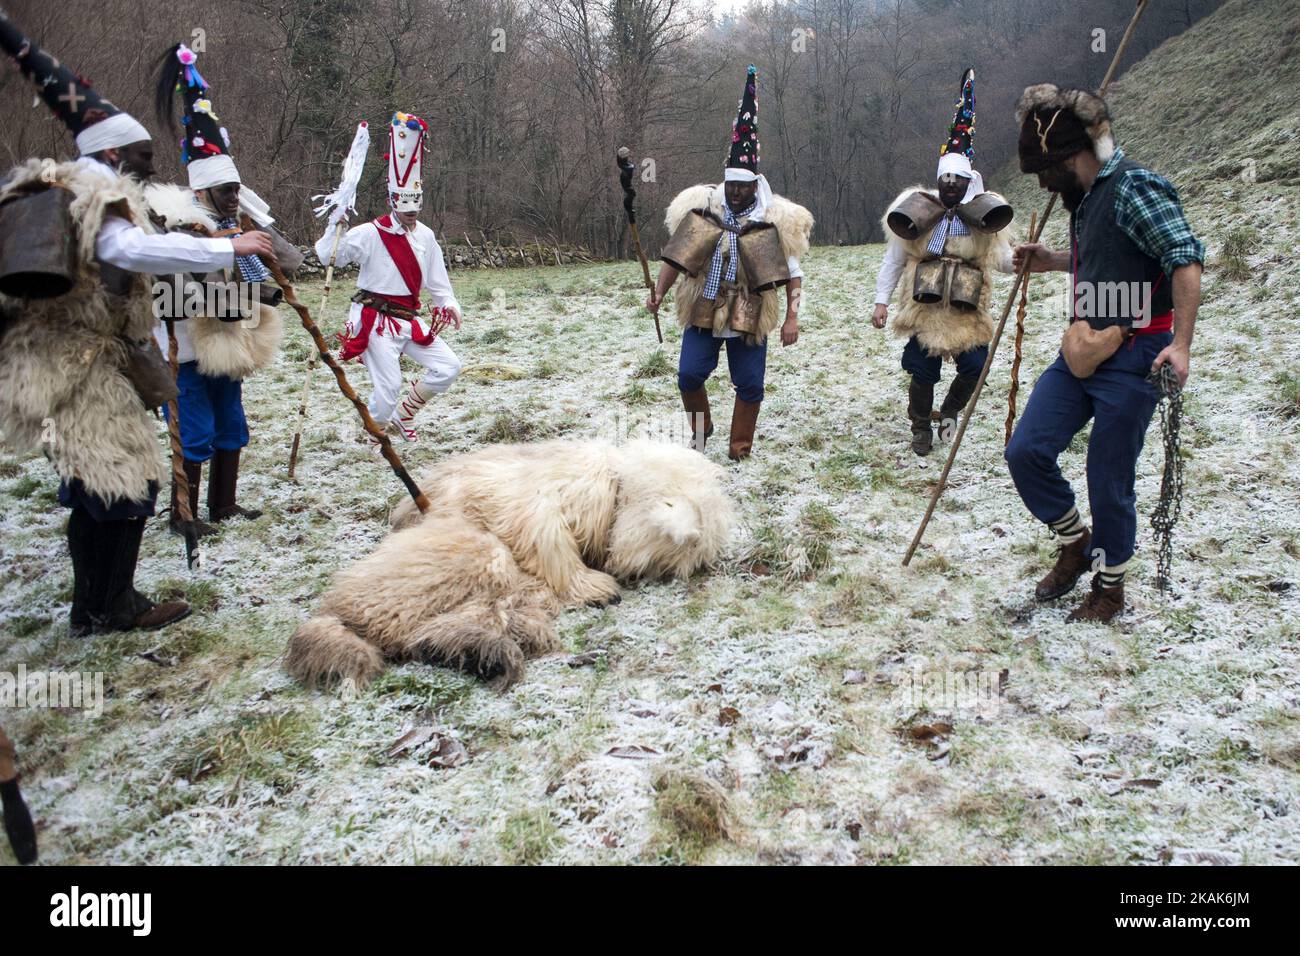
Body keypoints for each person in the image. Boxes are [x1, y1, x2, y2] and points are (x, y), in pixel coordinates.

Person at [0, 12, 272, 635]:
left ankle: (94, 605)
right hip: (78, 366)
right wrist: (229, 249)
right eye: (143, 154)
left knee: (105, 485)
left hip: (80, 363)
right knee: (119, 486)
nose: (150, 164)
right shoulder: (93, 196)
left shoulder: (78, 192)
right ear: (114, 151)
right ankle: (108, 605)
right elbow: (128, 253)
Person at [1005, 83, 1204, 623]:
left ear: (1074, 157)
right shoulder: (1085, 198)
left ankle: (1109, 585)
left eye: (1047, 171)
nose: (1045, 184)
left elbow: (1184, 258)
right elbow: (1107, 254)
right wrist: (1053, 261)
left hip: (1139, 354)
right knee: (1026, 450)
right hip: (1081, 349)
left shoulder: (1136, 187)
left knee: (1107, 476)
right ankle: (1074, 540)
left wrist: (1181, 346)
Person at [152, 42, 287, 535]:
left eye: (237, 188)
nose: (234, 196)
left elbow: (285, 265)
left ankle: (223, 505)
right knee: (195, 432)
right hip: (185, 349)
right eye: (227, 191)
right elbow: (172, 297)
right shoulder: (176, 231)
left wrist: (258, 237)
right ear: (202, 191)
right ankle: (181, 515)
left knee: (231, 428)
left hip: (228, 347)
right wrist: (248, 293)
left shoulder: (237, 226)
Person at [645, 65, 813, 460]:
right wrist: (658, 292)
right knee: (689, 375)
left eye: (744, 186)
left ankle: (740, 448)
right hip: (705, 303)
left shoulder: (772, 222)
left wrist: (791, 318)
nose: (737, 193)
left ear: (755, 184)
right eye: (732, 185)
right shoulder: (706, 211)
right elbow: (676, 257)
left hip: (751, 311)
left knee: (750, 384)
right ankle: (701, 433)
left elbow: (793, 275)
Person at [871, 68, 1016, 456]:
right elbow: (895, 258)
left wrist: (1022, 263)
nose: (952, 184)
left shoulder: (983, 217)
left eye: (959, 178)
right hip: (925, 306)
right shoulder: (919, 212)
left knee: (974, 367)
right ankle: (920, 426)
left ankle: (949, 410)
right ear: (940, 178)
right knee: (923, 370)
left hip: (968, 306)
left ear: (969, 181)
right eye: (946, 177)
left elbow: (998, 257)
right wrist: (881, 301)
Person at [317, 111, 463, 448]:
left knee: (448, 367)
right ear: (392, 201)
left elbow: (438, 282)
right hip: (375, 319)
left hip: (407, 320)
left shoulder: (425, 236)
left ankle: (405, 415)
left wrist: (449, 304)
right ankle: (375, 437)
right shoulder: (369, 233)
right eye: (405, 206)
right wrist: (333, 223)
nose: (411, 213)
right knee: (387, 388)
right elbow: (328, 256)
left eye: (416, 206)